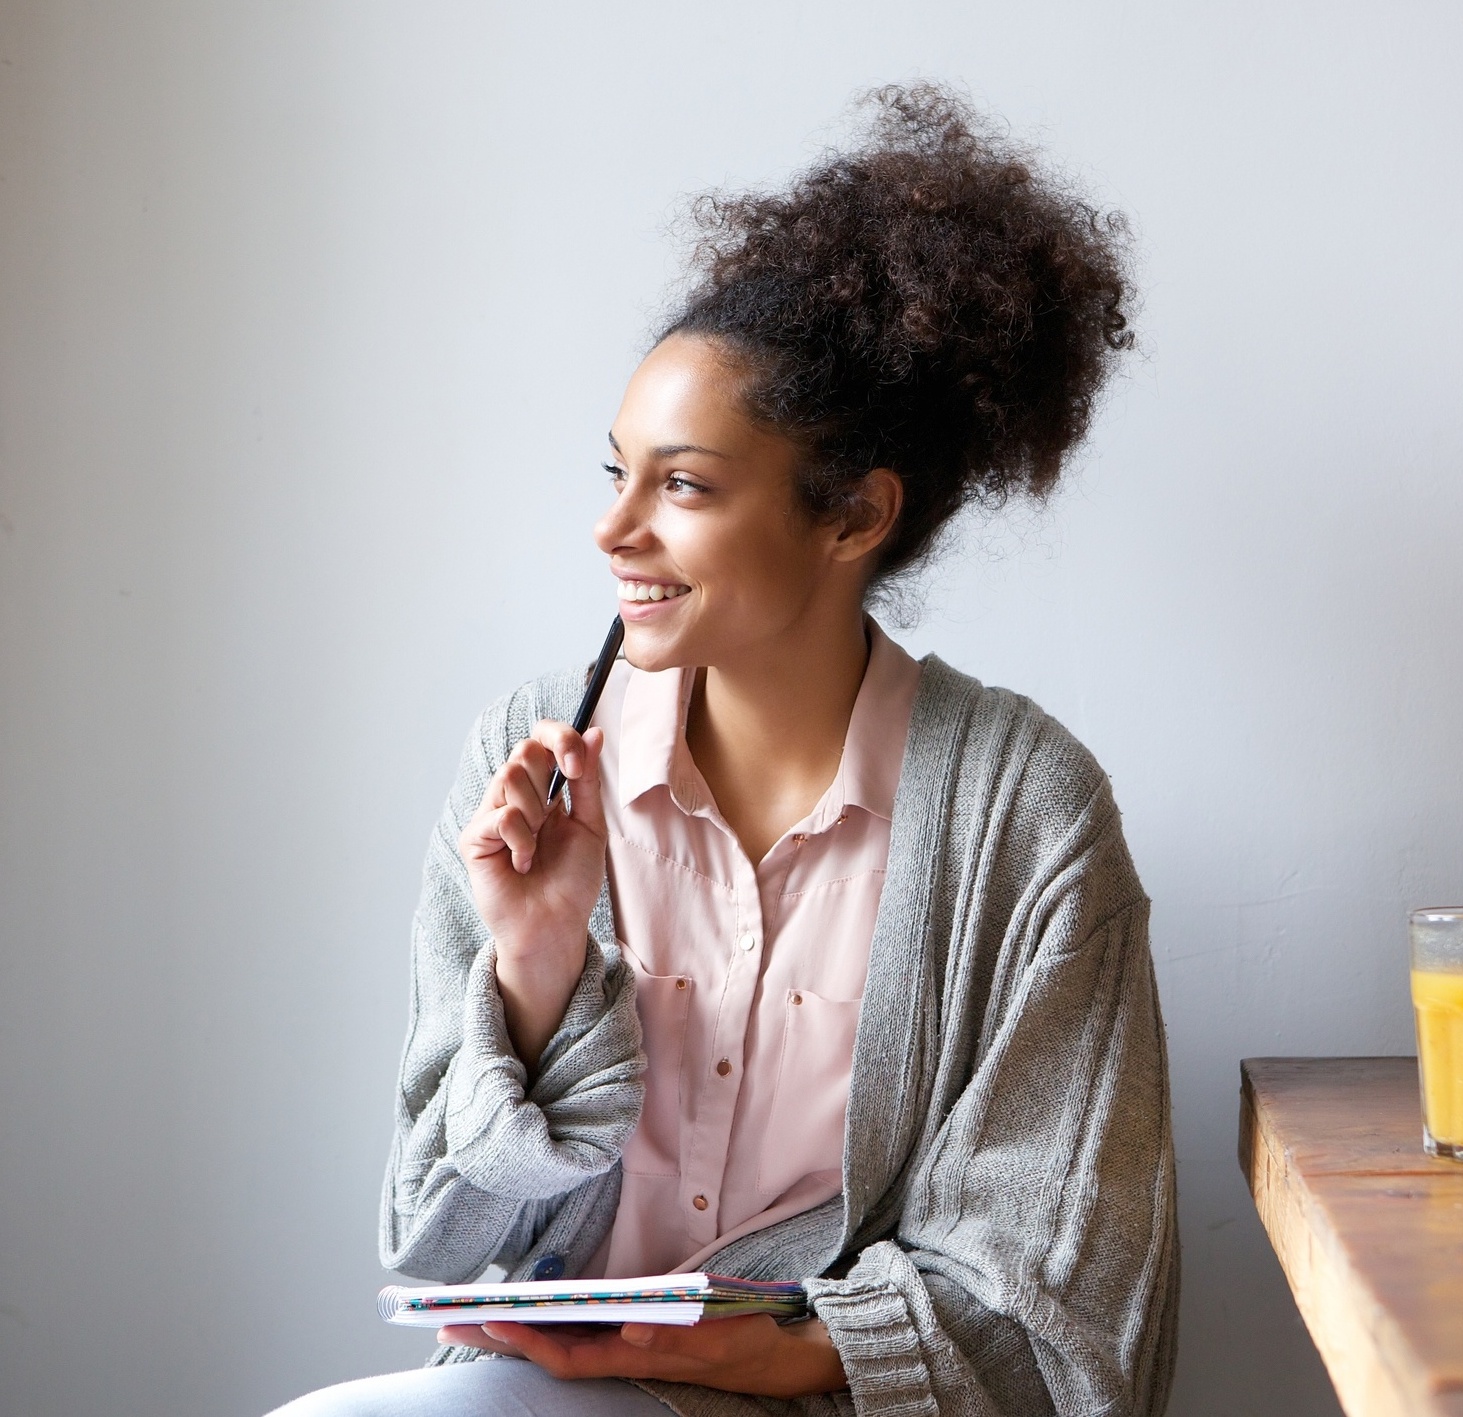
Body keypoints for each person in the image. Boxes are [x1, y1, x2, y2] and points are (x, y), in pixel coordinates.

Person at [273, 84, 1177, 1417]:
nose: (613, 529)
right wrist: (532, 967)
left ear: (853, 514)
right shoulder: (527, 766)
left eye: (683, 484)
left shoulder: (1025, 810)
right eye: (614, 473)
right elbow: (432, 1238)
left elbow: (1065, 1291)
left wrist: (789, 1353)